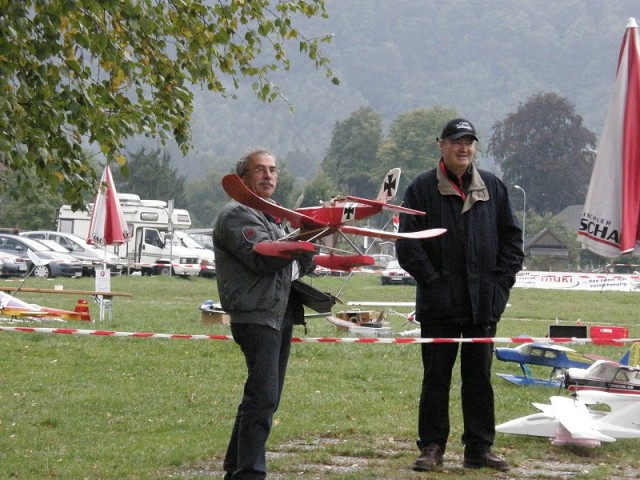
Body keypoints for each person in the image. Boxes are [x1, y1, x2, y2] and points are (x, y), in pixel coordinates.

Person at [396, 118, 524, 472]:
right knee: (436, 378)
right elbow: (407, 247)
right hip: (439, 308)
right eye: (456, 141)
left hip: (483, 305)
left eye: (469, 142)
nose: (463, 148)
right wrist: (435, 284)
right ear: (441, 145)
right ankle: (432, 448)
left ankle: (479, 449)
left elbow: (513, 242)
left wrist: (499, 286)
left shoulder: (494, 188)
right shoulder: (421, 189)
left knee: (479, 378)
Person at [214, 148, 315, 480]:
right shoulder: (237, 215)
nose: (268, 175)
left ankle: (236, 467)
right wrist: (301, 239)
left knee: (262, 397)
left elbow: (299, 263)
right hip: (255, 315)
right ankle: (250, 473)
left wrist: (311, 237)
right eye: (259, 170)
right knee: (263, 397)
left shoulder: (273, 218)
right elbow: (264, 260)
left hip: (279, 312)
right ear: (243, 176)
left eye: (272, 170)